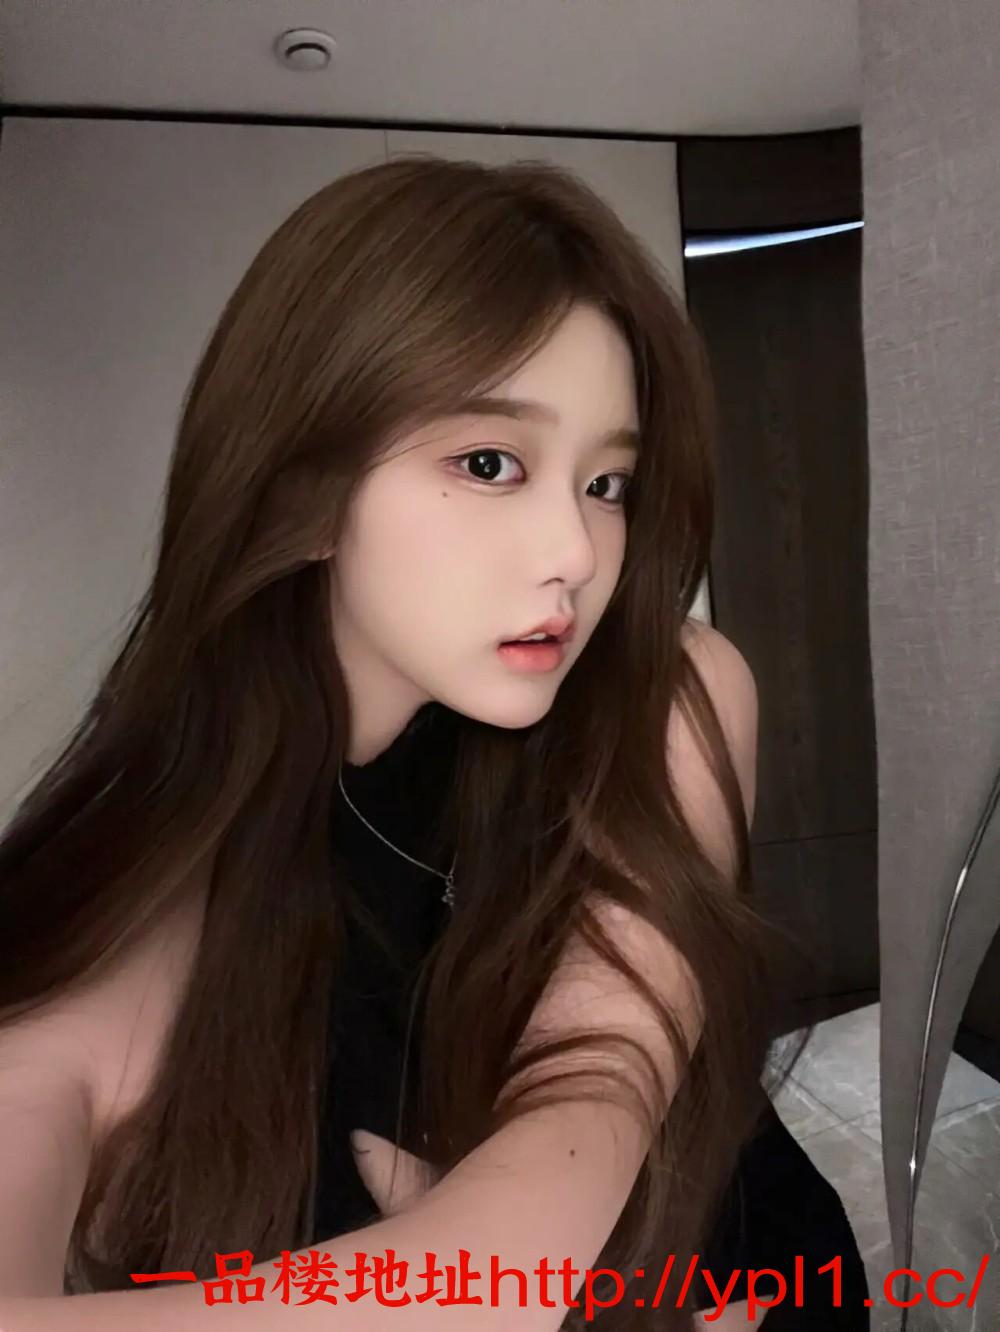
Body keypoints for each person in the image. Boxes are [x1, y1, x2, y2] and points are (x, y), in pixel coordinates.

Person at [0, 154, 870, 1330]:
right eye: (489, 463)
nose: (575, 551)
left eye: (608, 482)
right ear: (303, 490)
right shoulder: (150, 888)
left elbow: (591, 1104)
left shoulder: (663, 695)